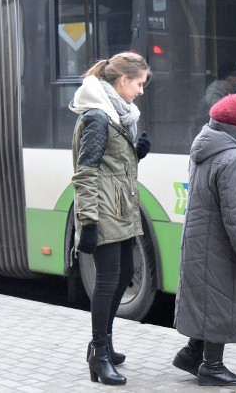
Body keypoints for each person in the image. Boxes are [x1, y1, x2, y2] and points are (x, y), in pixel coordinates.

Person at [70, 52, 152, 386]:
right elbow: (86, 172)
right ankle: (98, 355)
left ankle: (103, 342)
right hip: (103, 212)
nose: (141, 91)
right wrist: (87, 221)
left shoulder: (117, 115)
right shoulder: (98, 118)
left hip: (119, 209)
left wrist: (137, 152)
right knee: (108, 282)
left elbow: (112, 165)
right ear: (122, 81)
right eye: (139, 83)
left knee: (121, 278)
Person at [172, 93, 236, 387]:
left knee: (207, 299)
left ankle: (192, 353)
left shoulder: (206, 147)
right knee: (221, 299)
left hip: (202, 241)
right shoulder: (235, 160)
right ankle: (212, 366)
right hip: (222, 246)